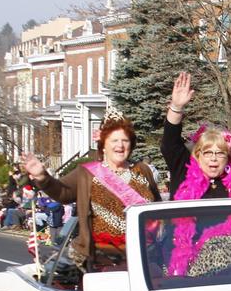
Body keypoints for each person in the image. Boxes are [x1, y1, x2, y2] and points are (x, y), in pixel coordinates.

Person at [25, 114, 161, 270]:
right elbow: (63, 193)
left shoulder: (142, 170)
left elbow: (156, 207)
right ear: (103, 145)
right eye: (114, 140)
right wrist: (42, 177)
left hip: (144, 254)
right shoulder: (87, 173)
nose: (120, 145)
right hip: (103, 258)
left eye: (125, 140)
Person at [162, 72, 231, 277]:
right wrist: (176, 108)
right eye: (208, 153)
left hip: (229, 264)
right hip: (182, 262)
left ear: (227, 157)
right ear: (198, 155)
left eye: (220, 153)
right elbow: (169, 144)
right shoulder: (183, 172)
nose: (213, 159)